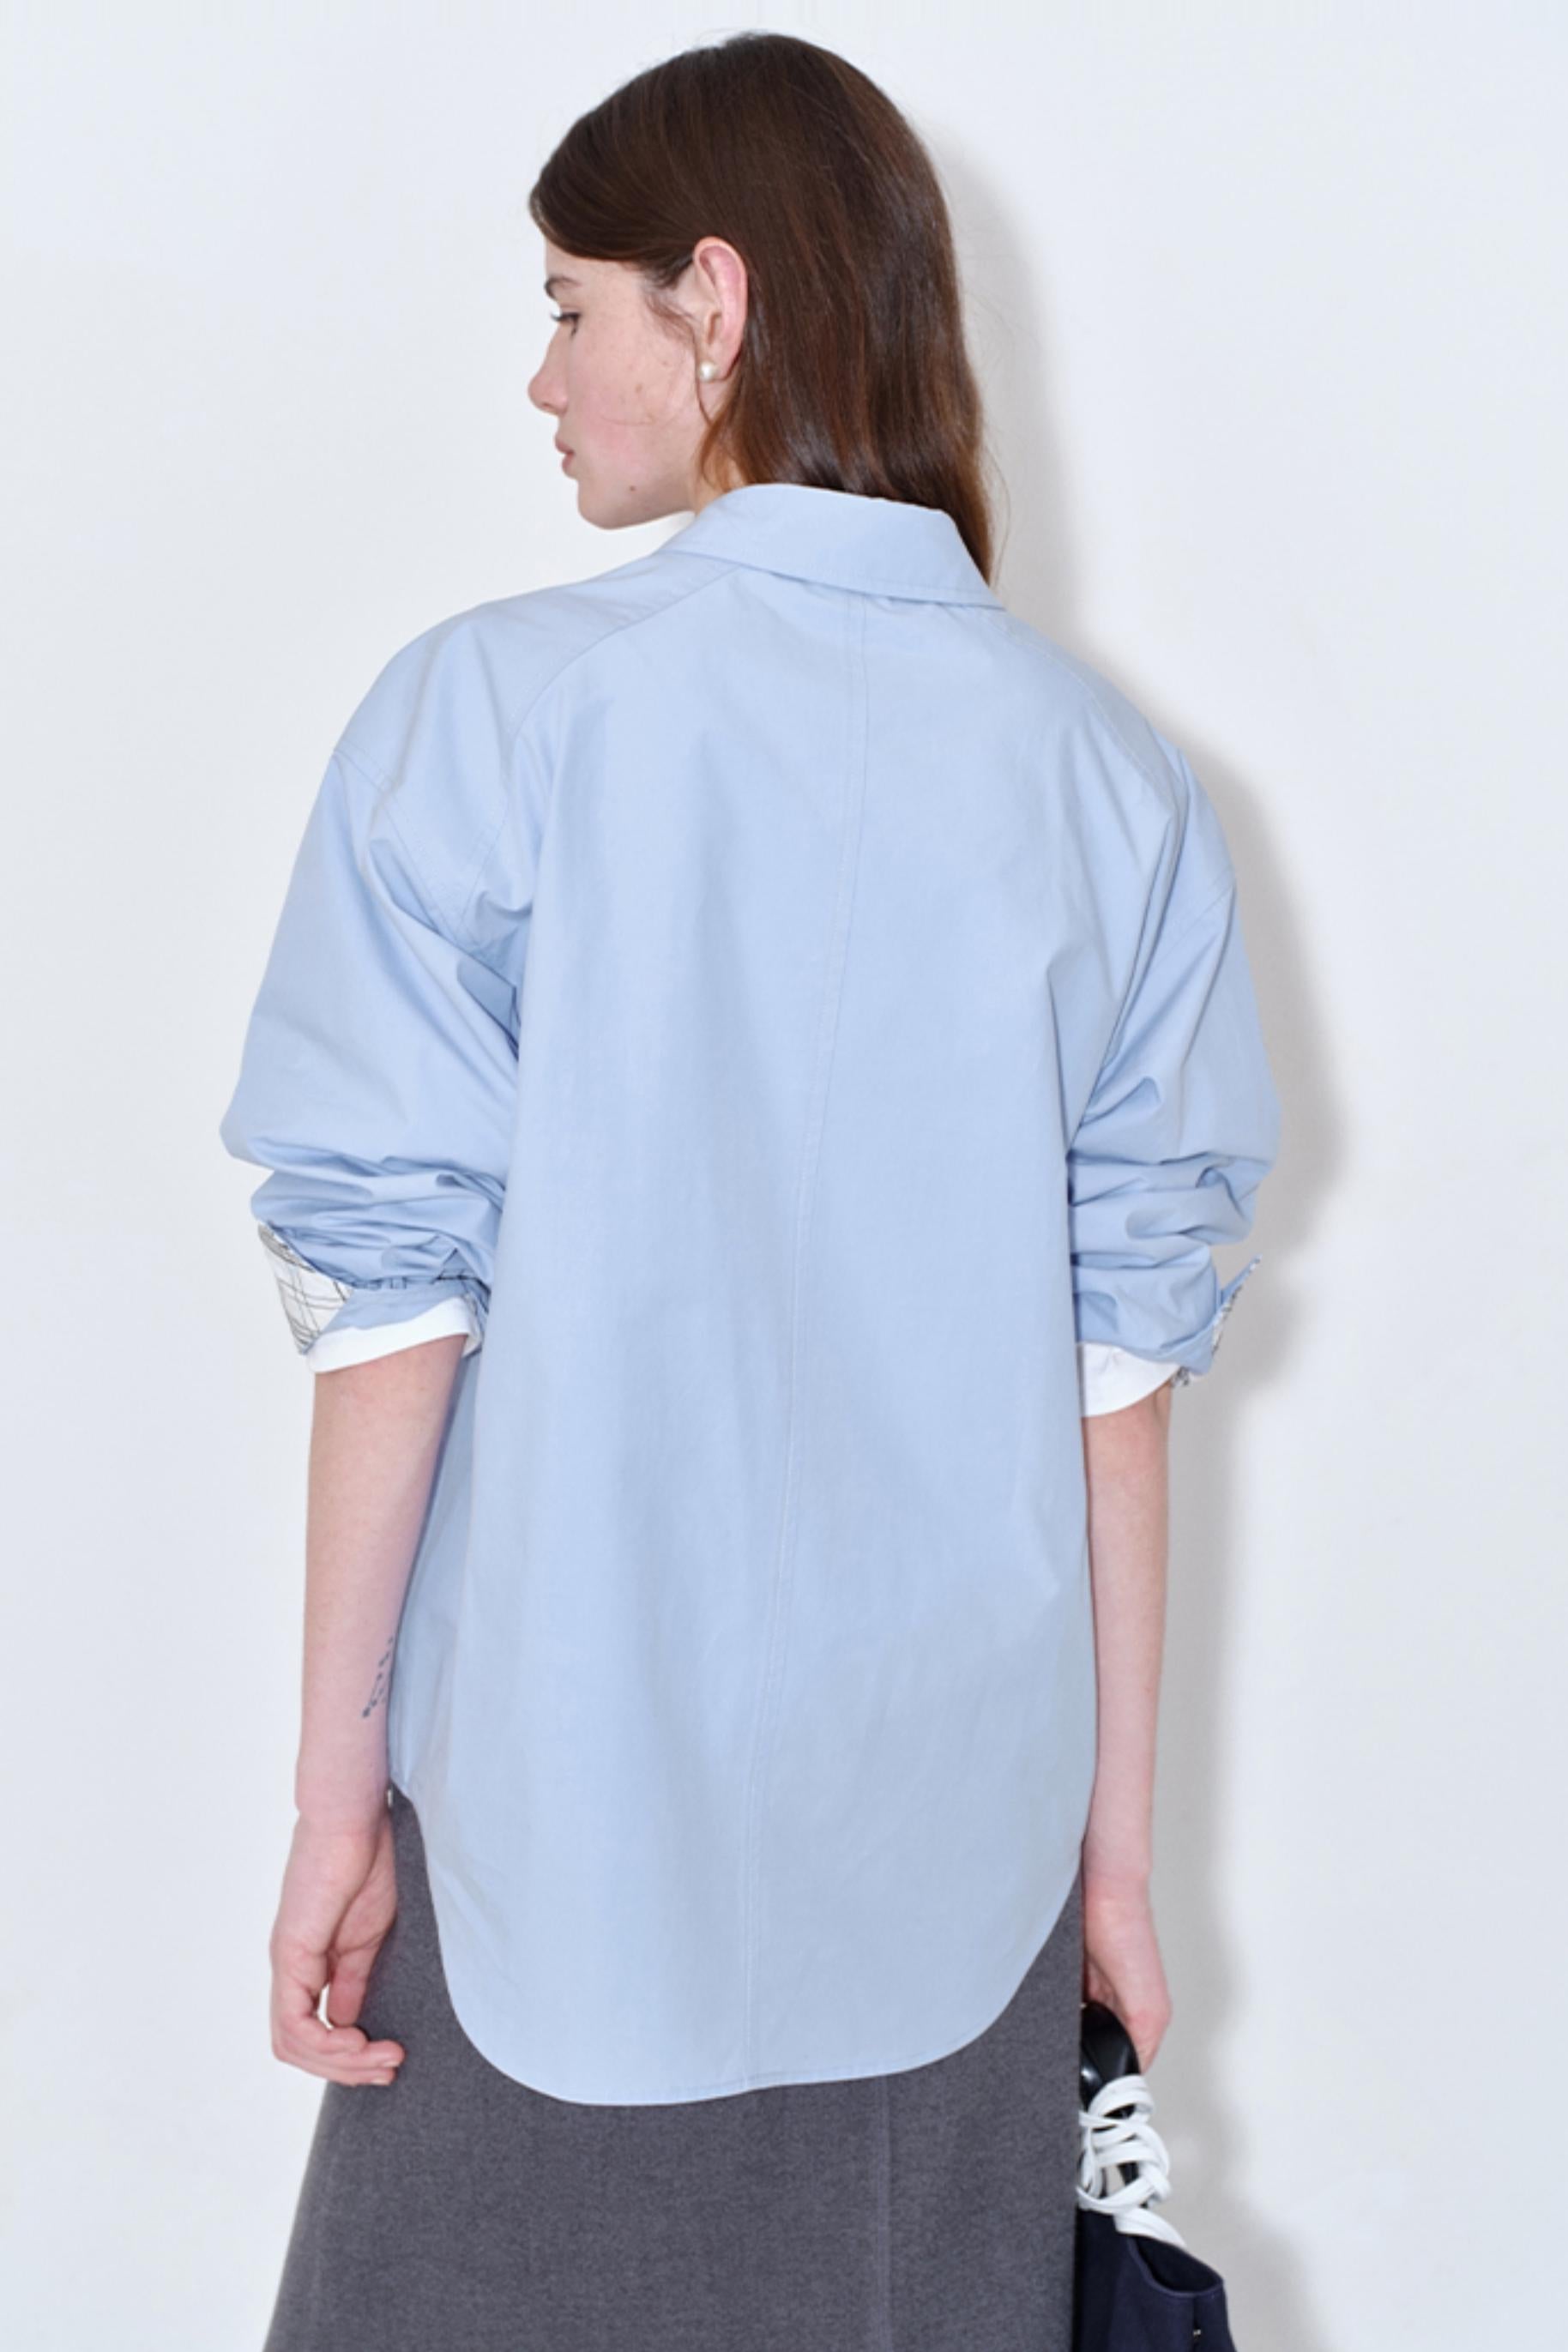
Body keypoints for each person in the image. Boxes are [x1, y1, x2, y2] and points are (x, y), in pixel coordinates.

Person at [218, 30, 1281, 2352]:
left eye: (569, 306)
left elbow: (393, 1311)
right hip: (959, 1858)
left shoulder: (490, 714)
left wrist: (334, 1805)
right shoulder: (1111, 781)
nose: (541, 377)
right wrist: (1108, 1854)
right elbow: (1120, 1368)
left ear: (711, 301)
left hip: (557, 1818)